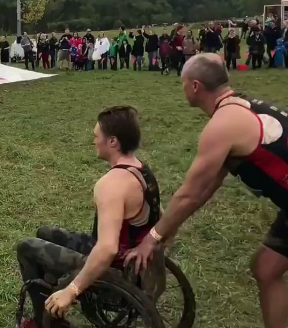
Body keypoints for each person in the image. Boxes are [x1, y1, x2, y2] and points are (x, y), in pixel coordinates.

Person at [125, 53, 288, 328]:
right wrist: (168, 228)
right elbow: (205, 189)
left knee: (267, 269)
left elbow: (190, 193)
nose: (183, 89)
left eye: (183, 83)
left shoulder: (222, 125)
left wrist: (151, 238)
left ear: (196, 86)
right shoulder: (239, 107)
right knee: (266, 268)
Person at [17, 106, 161, 328]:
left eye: (96, 136)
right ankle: (51, 292)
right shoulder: (142, 170)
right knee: (45, 233)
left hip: (115, 268)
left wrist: (73, 289)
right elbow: (160, 217)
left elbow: (107, 248)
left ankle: (44, 319)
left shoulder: (111, 185)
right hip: (133, 261)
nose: (94, 141)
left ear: (112, 142)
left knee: (26, 247)